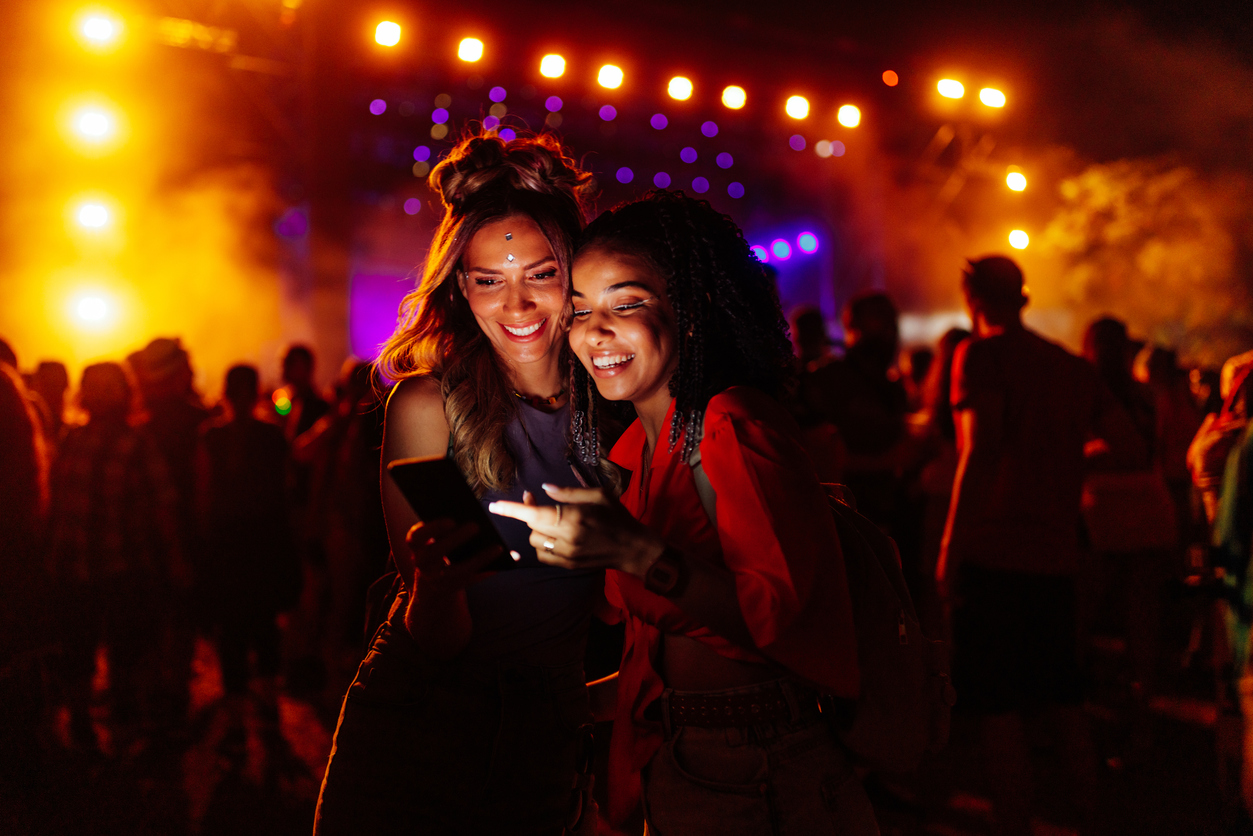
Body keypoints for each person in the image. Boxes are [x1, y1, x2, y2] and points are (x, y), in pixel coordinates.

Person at [493, 190, 874, 834]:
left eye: (627, 303)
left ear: (690, 313)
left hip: (758, 769)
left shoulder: (730, 427)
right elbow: (663, 651)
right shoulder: (640, 446)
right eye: (581, 310)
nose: (595, 332)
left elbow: (776, 618)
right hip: (684, 757)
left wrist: (632, 552)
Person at [314, 131, 604, 835]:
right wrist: (433, 588)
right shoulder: (425, 407)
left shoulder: (619, 405)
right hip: (422, 721)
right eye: (488, 280)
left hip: (550, 733)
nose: (518, 305)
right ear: (459, 285)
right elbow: (439, 642)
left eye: (540, 274)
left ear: (578, 274)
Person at [937, 256, 1143, 836]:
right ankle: (1090, 820)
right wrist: (1063, 458)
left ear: (972, 295)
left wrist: (949, 548)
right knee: (1063, 700)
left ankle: (1014, 825)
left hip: (994, 555)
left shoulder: (981, 356)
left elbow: (978, 453)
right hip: (1056, 555)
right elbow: (1129, 448)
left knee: (999, 710)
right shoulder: (1068, 366)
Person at [48, 363, 189, 750]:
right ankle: (82, 722)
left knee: (127, 650)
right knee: (78, 649)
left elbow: (164, 506)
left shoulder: (139, 443)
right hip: (75, 565)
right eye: (94, 387)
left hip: (123, 565)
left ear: (125, 394)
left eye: (109, 387)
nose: (101, 394)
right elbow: (57, 502)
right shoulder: (71, 438)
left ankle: (124, 725)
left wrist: (175, 560)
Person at [197, 365, 298, 741]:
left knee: (232, 629)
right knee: (264, 623)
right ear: (256, 392)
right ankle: (269, 706)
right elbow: (286, 490)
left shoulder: (212, 436)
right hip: (265, 539)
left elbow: (204, 494)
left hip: (227, 543)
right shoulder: (273, 436)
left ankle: (237, 715)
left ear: (225, 391)